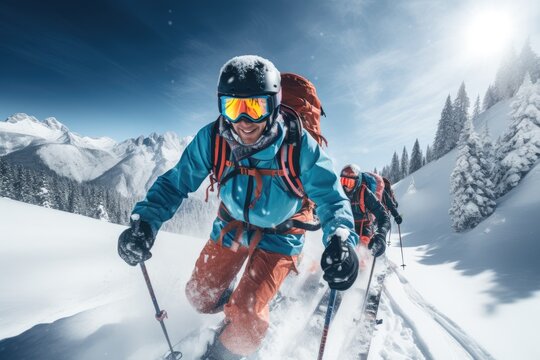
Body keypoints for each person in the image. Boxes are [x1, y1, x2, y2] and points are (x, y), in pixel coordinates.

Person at [117, 55, 359, 360]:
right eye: (233, 107)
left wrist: (342, 240)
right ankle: (243, 305)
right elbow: (175, 183)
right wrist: (145, 224)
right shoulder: (214, 139)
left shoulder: (299, 145)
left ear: (273, 105)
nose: (244, 121)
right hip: (232, 227)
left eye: (255, 107)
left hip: (281, 236)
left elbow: (332, 198)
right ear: (221, 107)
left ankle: (235, 336)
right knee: (199, 296)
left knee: (247, 322)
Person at [339, 164, 390, 257]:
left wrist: (381, 235)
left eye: (349, 182)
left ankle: (366, 266)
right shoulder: (339, 192)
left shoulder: (364, 193)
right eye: (343, 181)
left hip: (363, 226)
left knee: (364, 248)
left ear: (357, 182)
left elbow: (383, 216)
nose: (346, 186)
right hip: (345, 226)